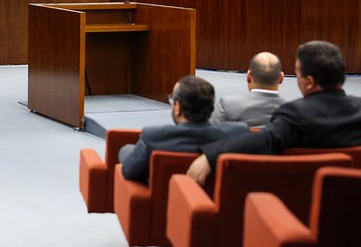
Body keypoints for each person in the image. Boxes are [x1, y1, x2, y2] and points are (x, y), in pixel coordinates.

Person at [187, 41, 361, 186]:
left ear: (309, 82)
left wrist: (210, 156)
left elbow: (263, 138)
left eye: (298, 73)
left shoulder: (296, 114)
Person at [118, 75, 248, 183]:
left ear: (178, 107)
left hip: (166, 206)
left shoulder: (153, 137)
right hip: (218, 207)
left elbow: (129, 171)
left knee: (126, 151)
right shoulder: (237, 133)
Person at [210, 52, 286, 127]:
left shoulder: (227, 106)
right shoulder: (294, 112)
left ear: (248, 76)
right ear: (281, 78)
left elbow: (212, 135)